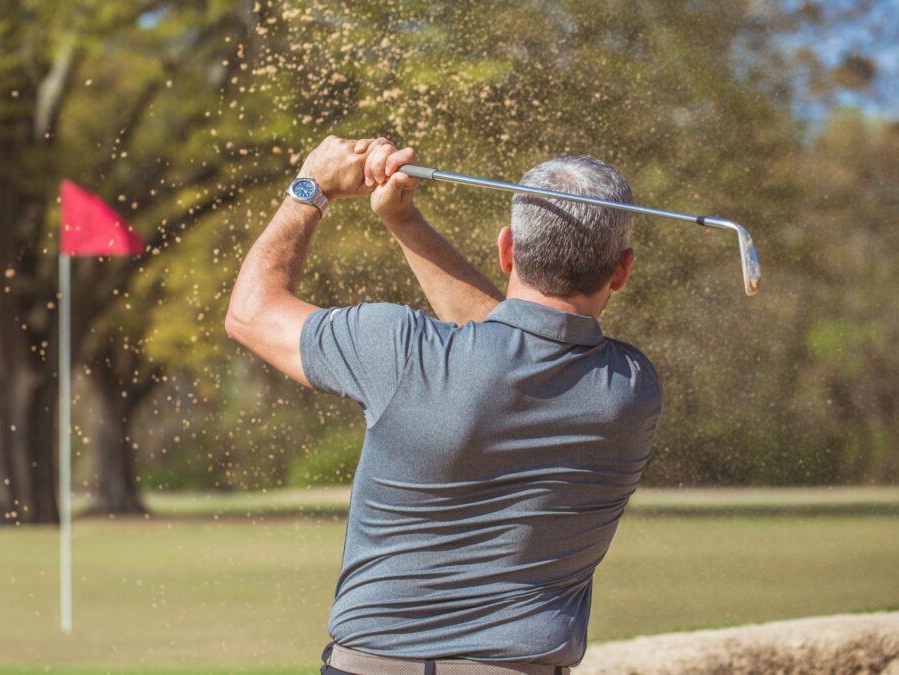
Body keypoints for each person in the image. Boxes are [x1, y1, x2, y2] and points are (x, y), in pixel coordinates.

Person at [225, 135, 662, 675]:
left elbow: (251, 312)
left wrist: (310, 188)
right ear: (622, 270)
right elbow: (513, 343)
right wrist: (404, 222)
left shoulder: (402, 349)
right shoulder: (631, 389)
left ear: (507, 249)